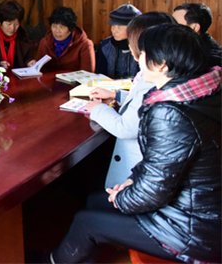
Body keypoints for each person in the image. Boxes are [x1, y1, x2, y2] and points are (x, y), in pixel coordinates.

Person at [47, 24, 222, 264]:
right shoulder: (198, 93)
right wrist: (131, 182)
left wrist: (122, 197)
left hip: (191, 230)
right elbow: (160, 163)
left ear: (161, 65)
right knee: (95, 201)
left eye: (144, 53)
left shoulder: (170, 112)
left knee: (85, 222)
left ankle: (53, 260)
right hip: (197, 210)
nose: (139, 58)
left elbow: (153, 190)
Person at [84, 12, 176, 189]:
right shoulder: (159, 71)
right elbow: (143, 102)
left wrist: (97, 109)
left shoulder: (153, 78)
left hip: (137, 174)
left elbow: (126, 128)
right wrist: (117, 95)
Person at [0, 0, 36, 70]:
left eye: (16, 24)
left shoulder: (22, 35)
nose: (13, 28)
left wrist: (30, 62)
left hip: (18, 75)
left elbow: (28, 57)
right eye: (9, 24)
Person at [36, 7, 95, 72]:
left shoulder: (85, 44)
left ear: (70, 29)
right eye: (54, 26)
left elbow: (88, 74)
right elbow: (38, 69)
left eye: (62, 27)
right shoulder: (45, 42)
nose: (57, 31)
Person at [95, 2, 141, 79]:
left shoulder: (143, 48)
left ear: (133, 28)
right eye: (113, 25)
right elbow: (100, 75)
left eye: (120, 26)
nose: (114, 31)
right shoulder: (106, 46)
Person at [172, 2, 222, 67]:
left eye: (175, 24)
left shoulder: (207, 59)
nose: (169, 27)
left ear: (195, 27)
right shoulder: (187, 43)